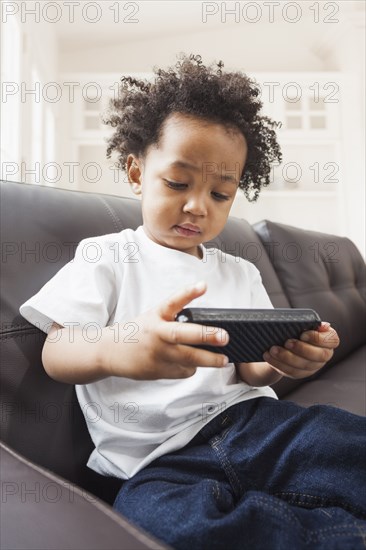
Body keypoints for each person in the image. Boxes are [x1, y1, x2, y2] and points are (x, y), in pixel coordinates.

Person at [19, 54, 365, 549]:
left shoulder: (239, 272)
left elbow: (251, 371)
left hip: (257, 426)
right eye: (178, 183)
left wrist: (284, 362)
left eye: (221, 193)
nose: (198, 205)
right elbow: (56, 350)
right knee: (164, 524)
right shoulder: (107, 255)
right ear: (137, 173)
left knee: (344, 441)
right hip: (158, 462)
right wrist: (120, 348)